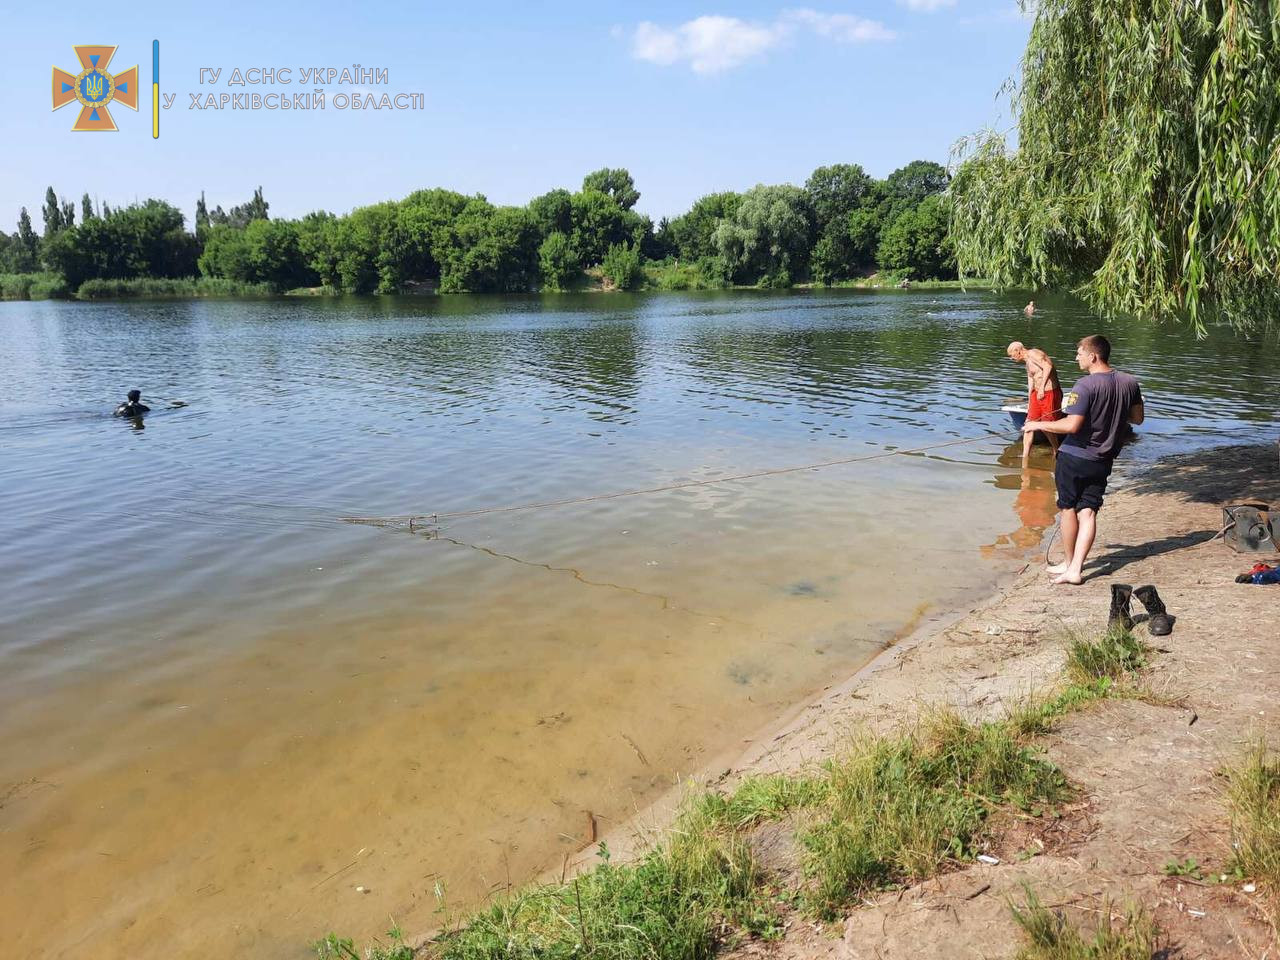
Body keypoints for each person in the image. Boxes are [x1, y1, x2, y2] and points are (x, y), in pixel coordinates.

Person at [1023, 334, 1144, 585]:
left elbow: (1072, 424)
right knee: (1088, 511)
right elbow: (1137, 418)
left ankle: (1069, 564)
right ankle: (1076, 568)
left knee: (1068, 509)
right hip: (1104, 459)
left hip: (1074, 456)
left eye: (1079, 353)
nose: (1076, 357)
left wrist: (1036, 423)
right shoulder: (1130, 382)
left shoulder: (1084, 385)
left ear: (1093, 356)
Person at [1006, 341, 1063, 462]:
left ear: (1018, 350)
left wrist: (1042, 387)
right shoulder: (1027, 362)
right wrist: (1030, 397)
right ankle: (1025, 455)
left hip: (1048, 392)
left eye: (1011, 355)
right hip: (1036, 394)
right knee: (1028, 424)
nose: (1011, 358)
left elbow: (1048, 366)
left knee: (1047, 424)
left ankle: (1056, 449)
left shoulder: (1034, 354)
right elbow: (1031, 379)